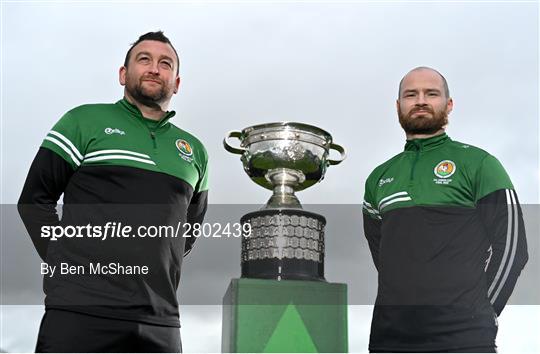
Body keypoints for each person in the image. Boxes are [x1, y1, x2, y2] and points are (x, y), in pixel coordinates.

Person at [17, 31, 209, 352]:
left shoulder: (195, 152)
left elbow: (187, 232)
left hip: (159, 322)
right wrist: (65, 263)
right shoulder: (83, 121)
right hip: (79, 312)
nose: (154, 68)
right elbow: (34, 201)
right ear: (124, 74)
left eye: (165, 63)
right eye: (143, 59)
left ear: (176, 82)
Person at [362, 67, 528, 353]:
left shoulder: (479, 164)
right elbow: (384, 258)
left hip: (463, 338)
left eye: (432, 94)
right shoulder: (379, 177)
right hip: (389, 339)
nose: (421, 100)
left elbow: (513, 248)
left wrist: (484, 313)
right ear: (398, 105)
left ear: (448, 104)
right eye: (411, 94)